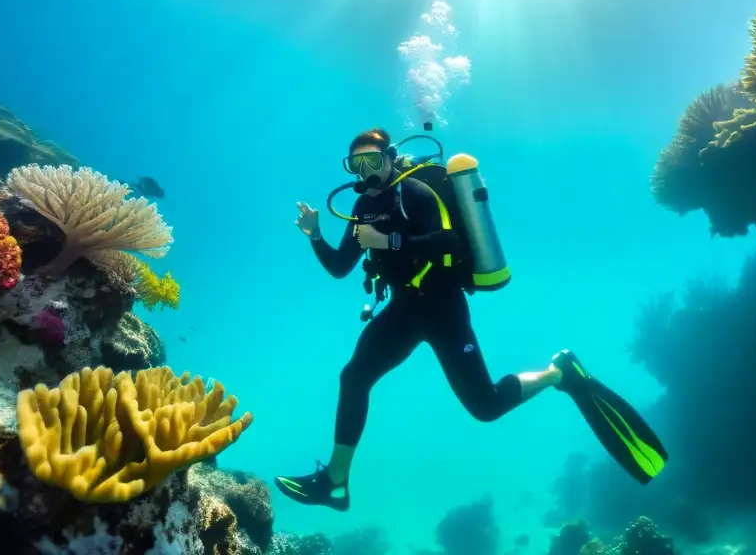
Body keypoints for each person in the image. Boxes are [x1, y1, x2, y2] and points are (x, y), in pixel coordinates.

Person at [274, 128, 667, 511]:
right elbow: (341, 267)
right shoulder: (362, 207)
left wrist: (387, 241)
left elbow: (449, 242)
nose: (365, 172)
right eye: (355, 164)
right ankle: (336, 484)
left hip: (443, 309)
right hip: (403, 310)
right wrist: (314, 235)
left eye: (372, 161)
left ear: (390, 158)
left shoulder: (414, 193)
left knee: (485, 407)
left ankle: (558, 373)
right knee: (354, 376)